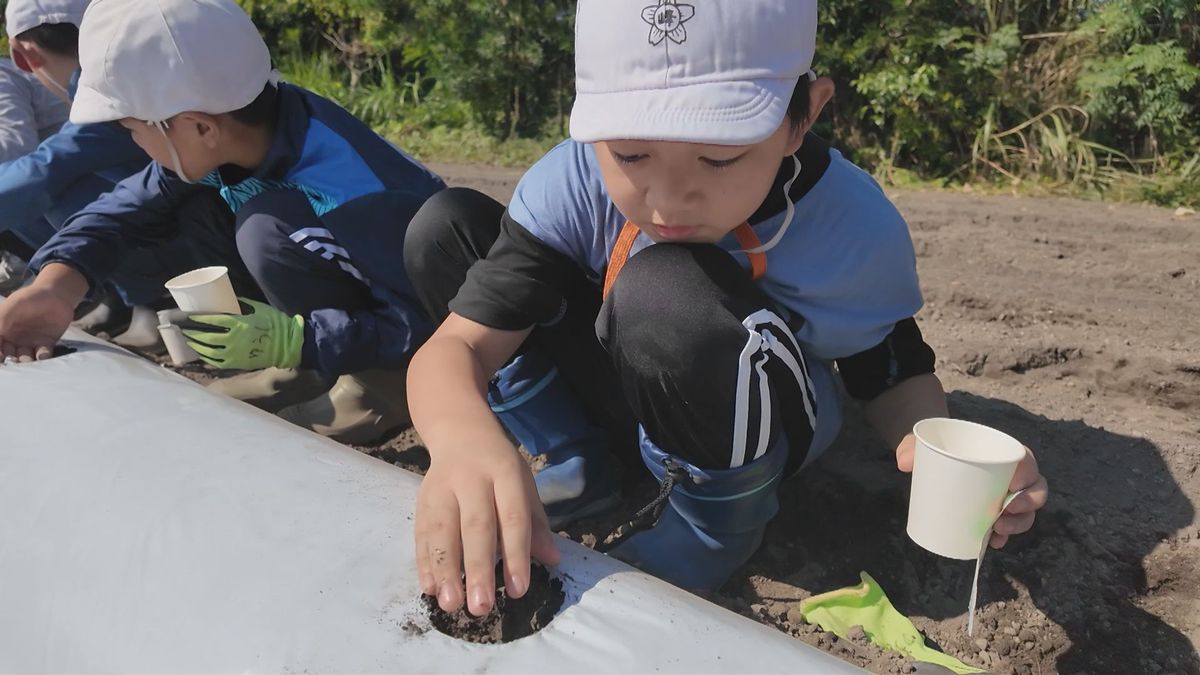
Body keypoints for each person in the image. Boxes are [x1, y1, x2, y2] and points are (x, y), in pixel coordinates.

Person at [403, 0, 1050, 617]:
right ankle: (572, 455)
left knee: (665, 290)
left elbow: (888, 365)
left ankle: (712, 526)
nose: (668, 199)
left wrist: (929, 445)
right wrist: (462, 438)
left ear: (804, 117)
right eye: (630, 153)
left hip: (744, 416)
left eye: (719, 156)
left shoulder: (848, 224)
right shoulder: (573, 180)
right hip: (629, 381)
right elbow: (456, 346)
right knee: (446, 227)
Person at [0, 0, 446, 445]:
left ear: (198, 128)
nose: (133, 141)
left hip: (430, 331)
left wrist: (301, 339)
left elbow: (428, 320)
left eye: (132, 129)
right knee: (228, 218)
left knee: (263, 226)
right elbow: (125, 206)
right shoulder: (243, 131)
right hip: (357, 294)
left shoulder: (356, 193)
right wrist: (56, 285)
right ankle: (310, 370)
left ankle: (377, 389)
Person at [0, 0, 216, 346]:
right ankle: (127, 297)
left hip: (215, 233)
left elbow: (40, 171)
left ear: (23, 55)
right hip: (208, 215)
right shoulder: (137, 66)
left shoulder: (108, 91)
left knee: (50, 191)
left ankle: (159, 301)